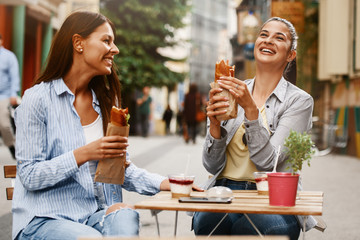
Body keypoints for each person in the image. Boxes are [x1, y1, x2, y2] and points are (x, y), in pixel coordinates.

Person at [12, 11, 172, 240]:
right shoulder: (37, 99)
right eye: (107, 40)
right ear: (79, 43)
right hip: (44, 219)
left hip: (94, 216)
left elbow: (117, 167)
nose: (115, 49)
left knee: (126, 215)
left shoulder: (107, 101)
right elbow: (29, 175)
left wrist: (165, 183)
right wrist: (84, 153)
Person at [193, 17, 317, 239]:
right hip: (223, 190)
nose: (268, 40)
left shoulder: (299, 102)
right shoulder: (230, 90)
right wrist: (214, 126)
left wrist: (251, 110)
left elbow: (268, 163)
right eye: (264, 34)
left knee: (249, 229)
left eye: (279, 38)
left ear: (291, 55)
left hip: (273, 197)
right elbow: (212, 165)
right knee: (208, 220)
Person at [0, 33, 19, 159]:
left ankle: (12, 146)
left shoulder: (9, 56)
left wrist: (14, 94)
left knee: (4, 124)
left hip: (4, 96)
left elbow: (14, 76)